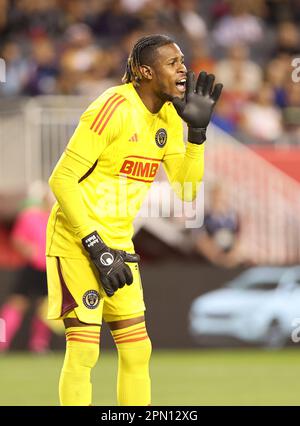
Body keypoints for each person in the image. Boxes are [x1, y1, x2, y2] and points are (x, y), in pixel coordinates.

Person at [46, 34, 222, 406]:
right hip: (77, 241)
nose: (183, 69)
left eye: (183, 61)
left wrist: (197, 135)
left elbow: (188, 191)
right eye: (172, 62)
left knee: (138, 350)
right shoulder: (112, 106)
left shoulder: (172, 119)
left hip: (119, 243)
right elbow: (60, 179)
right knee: (84, 351)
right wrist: (94, 245)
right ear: (144, 71)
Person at [0, 182, 53, 352]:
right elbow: (17, 239)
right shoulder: (29, 215)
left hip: (52, 268)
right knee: (16, 303)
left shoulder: (56, 217)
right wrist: (30, 251)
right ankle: (2, 341)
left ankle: (39, 345)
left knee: (47, 307)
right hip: (32, 267)